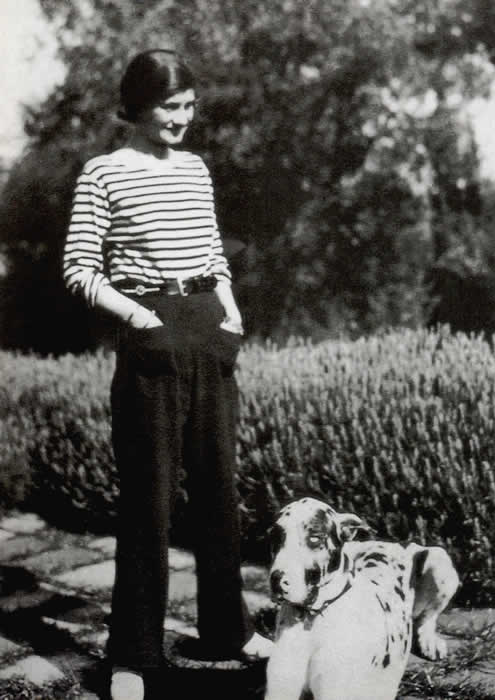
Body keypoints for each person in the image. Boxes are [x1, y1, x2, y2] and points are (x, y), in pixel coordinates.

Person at [63, 49, 273, 700]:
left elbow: (212, 251)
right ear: (136, 105)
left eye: (188, 107)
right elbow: (79, 269)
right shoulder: (103, 174)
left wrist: (230, 315)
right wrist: (139, 318)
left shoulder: (195, 169)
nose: (182, 119)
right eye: (169, 107)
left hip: (208, 327)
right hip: (150, 333)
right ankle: (132, 656)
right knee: (148, 504)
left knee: (217, 491)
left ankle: (225, 632)